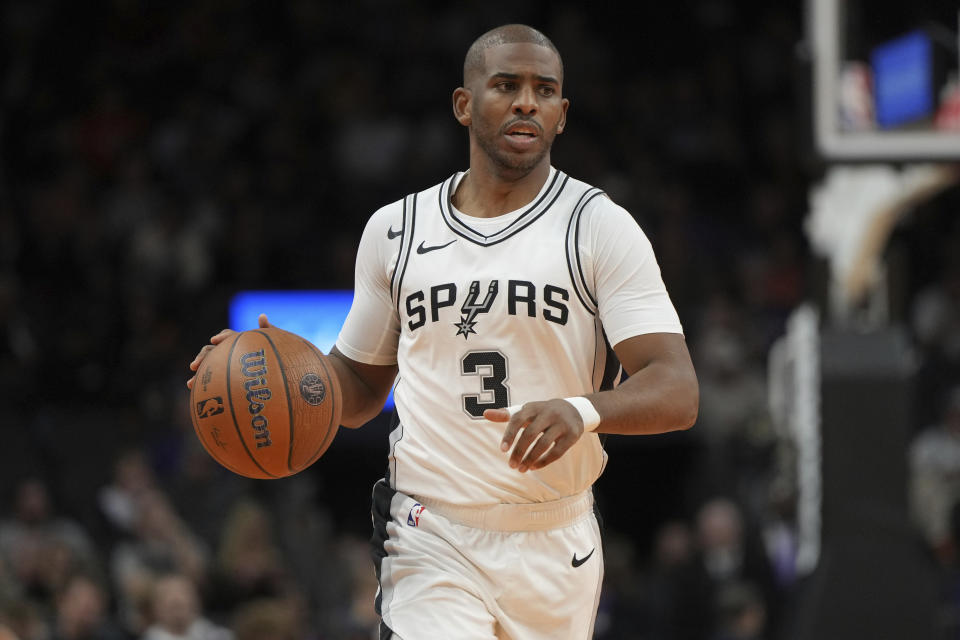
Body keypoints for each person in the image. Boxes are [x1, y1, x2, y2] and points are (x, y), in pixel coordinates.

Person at [188, 23, 698, 639]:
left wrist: (582, 409)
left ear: (562, 114)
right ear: (464, 104)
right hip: (432, 532)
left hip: (554, 537)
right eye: (506, 85)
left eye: (544, 90)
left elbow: (676, 390)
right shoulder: (395, 231)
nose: (526, 102)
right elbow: (359, 388)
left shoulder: (600, 228)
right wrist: (285, 374)